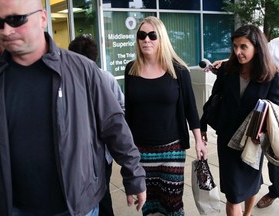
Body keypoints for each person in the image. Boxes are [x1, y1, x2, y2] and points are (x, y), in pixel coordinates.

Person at [0, 0, 146, 215]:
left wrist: (134, 175)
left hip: (79, 206)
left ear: (43, 18)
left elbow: (114, 125)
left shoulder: (82, 70)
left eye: (16, 19)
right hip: (16, 208)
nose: (6, 30)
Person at [124, 16, 207, 216]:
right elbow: (129, 111)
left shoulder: (178, 70)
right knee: (148, 204)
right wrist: (126, 148)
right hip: (141, 150)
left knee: (172, 204)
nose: (146, 40)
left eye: (152, 35)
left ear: (161, 38)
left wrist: (199, 140)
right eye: (142, 35)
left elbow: (190, 108)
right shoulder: (131, 69)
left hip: (172, 148)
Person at [200, 25, 279, 216]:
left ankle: (248, 213)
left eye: (243, 47)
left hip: (253, 140)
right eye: (235, 46)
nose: (237, 52)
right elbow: (214, 98)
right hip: (227, 139)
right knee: (233, 195)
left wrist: (263, 130)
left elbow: (276, 107)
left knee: (252, 184)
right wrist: (202, 125)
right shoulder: (227, 69)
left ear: (257, 47)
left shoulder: (271, 75)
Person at [68, 34, 125, 216]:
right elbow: (121, 109)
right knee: (102, 192)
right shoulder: (106, 78)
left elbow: (120, 109)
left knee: (99, 193)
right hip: (97, 152)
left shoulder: (104, 79)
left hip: (92, 152)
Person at [255, 37, 279, 209]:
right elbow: (256, 58)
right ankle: (275, 190)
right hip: (275, 107)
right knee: (274, 154)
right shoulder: (274, 45)